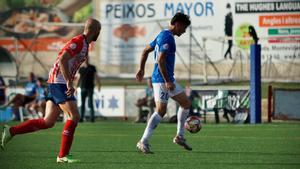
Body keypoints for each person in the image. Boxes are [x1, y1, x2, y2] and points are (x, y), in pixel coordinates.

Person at [1, 18, 101, 163]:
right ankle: (62, 156)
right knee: (74, 116)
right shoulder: (79, 41)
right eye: (99, 30)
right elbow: (62, 60)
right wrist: (68, 82)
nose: (99, 33)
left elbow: (69, 63)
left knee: (48, 121)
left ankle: (11, 131)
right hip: (58, 82)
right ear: (94, 30)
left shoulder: (85, 44)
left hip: (56, 82)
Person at [136, 12, 192, 154]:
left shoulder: (163, 34)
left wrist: (141, 69)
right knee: (161, 111)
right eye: (184, 28)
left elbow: (145, 51)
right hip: (162, 79)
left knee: (186, 104)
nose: (184, 31)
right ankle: (143, 141)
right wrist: (167, 81)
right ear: (177, 24)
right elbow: (160, 60)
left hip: (167, 79)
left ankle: (180, 136)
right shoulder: (168, 38)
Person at [77, 58, 101, 123]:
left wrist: (99, 85)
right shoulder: (81, 69)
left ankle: (92, 118)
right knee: (82, 104)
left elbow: (96, 76)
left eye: (87, 59)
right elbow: (78, 79)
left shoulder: (92, 67)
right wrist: (76, 87)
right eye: (84, 60)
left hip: (90, 88)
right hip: (83, 87)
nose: (86, 60)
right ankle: (81, 117)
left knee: (90, 103)